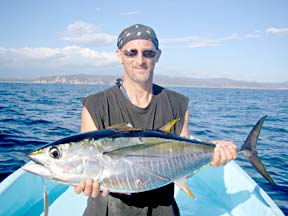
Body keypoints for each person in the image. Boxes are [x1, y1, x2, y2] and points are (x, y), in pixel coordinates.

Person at [74, 24, 237, 215]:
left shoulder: (178, 104)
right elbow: (86, 162)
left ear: (158, 55)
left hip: (162, 209)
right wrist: (84, 182)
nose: (140, 60)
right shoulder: (95, 104)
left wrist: (214, 155)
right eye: (131, 52)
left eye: (148, 53)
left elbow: (182, 166)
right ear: (119, 55)